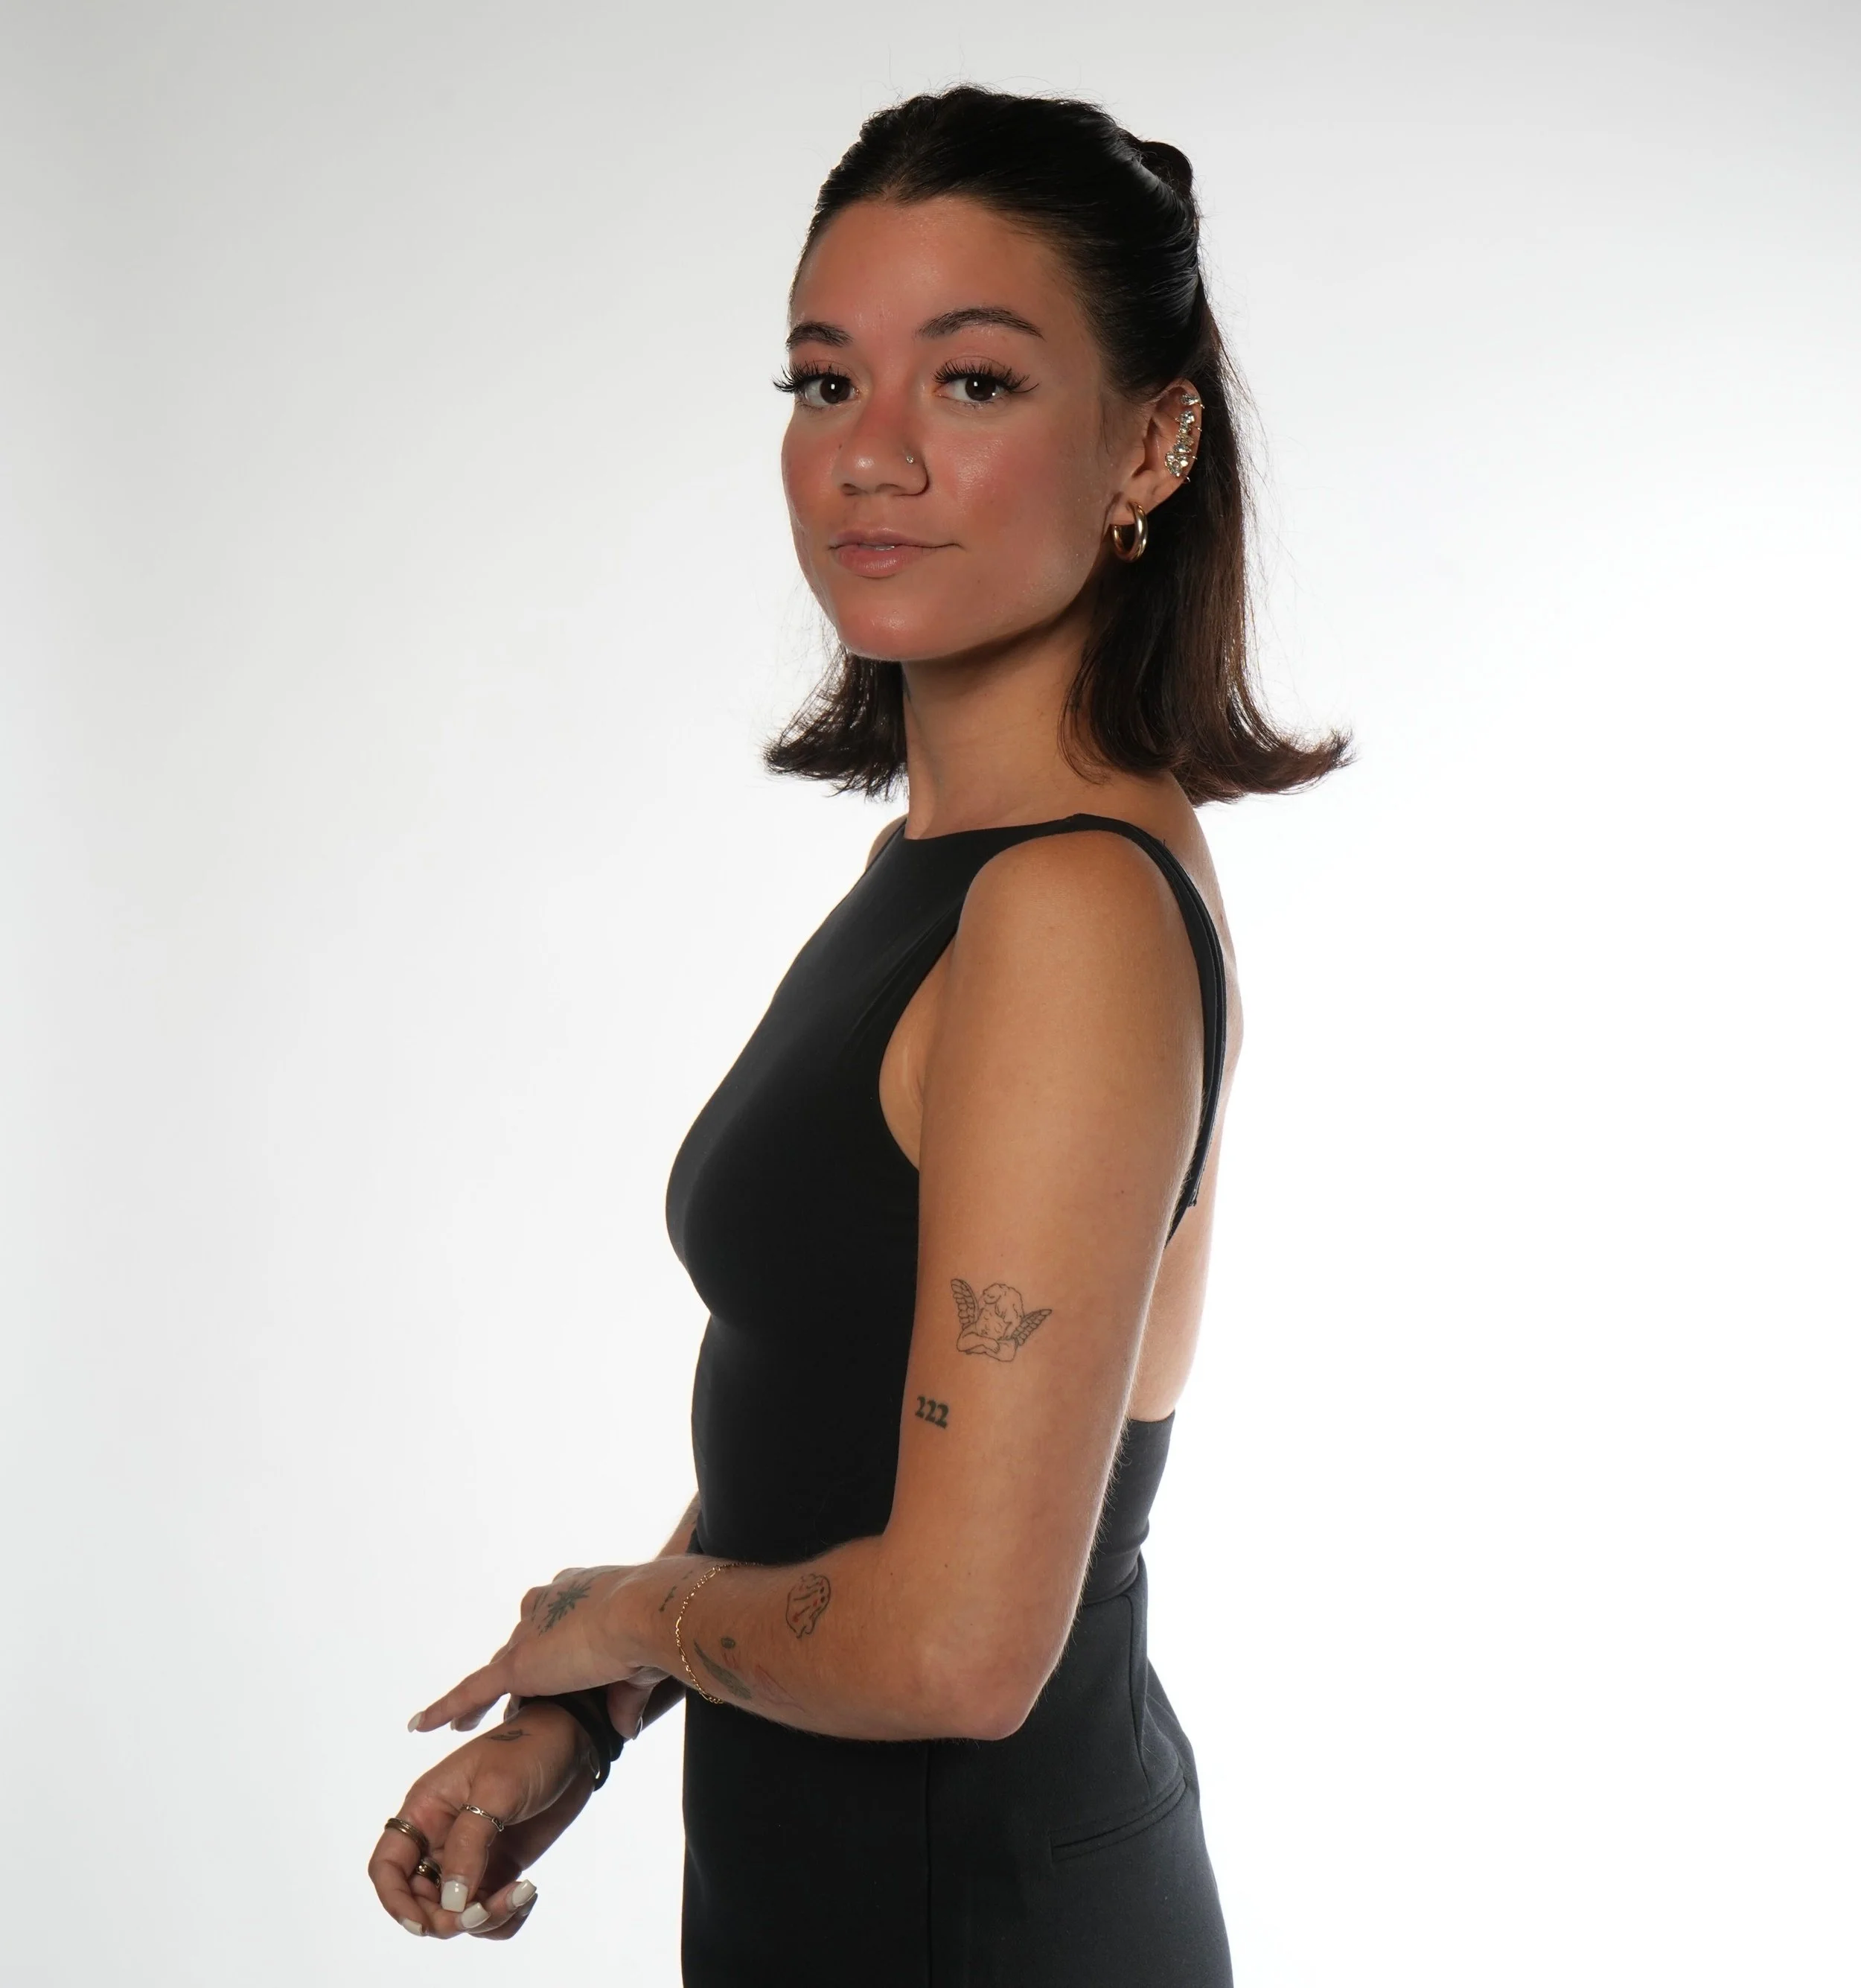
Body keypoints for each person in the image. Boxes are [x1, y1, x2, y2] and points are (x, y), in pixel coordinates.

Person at [368, 83, 1350, 1984]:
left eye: (971, 384)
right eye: (826, 384)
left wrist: (631, 1616)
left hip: (977, 1927)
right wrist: (586, 1712)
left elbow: (960, 1649)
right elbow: (850, 1445)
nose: (869, 458)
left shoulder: (1064, 908)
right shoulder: (968, 866)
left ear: (1150, 440)